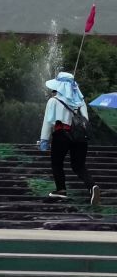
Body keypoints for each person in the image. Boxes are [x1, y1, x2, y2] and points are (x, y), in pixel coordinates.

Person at [41, 71, 101, 205]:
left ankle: (61, 190)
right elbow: (85, 120)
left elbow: (47, 122)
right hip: (80, 136)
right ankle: (92, 186)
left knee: (57, 163)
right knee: (79, 166)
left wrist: (44, 140)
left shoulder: (53, 101)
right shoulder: (81, 102)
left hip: (61, 135)